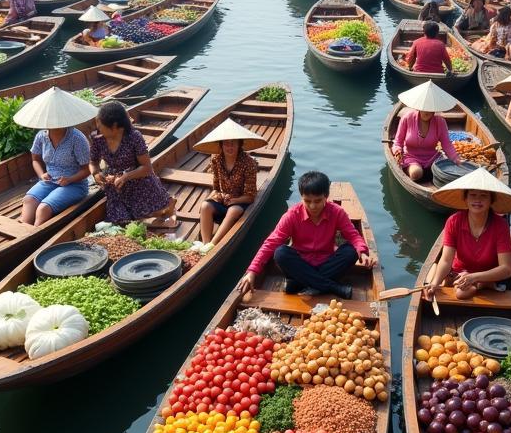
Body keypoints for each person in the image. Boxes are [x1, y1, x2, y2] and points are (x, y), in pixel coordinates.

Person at [237, 171, 373, 300]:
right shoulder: (292, 215)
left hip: (326, 263)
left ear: (326, 196)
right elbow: (271, 242)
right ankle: (334, 287)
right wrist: (252, 271)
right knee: (280, 253)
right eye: (307, 201)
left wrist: (363, 252)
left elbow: (353, 236)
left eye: (318, 201)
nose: (312, 206)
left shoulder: (337, 212)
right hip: (300, 266)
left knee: (351, 251)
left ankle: (298, 285)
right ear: (301, 197)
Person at [425, 170, 511, 301]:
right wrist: (434, 283)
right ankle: (477, 284)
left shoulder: (500, 225)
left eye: (483, 196)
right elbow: (446, 260)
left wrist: (474, 277)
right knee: (460, 292)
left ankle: (481, 284)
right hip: (460, 272)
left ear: (491, 200)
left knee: (462, 293)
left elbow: (506, 268)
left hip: (489, 274)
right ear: (465, 199)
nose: (477, 200)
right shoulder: (454, 221)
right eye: (473, 195)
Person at [89, 101, 176, 227]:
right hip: (115, 184)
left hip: (138, 179)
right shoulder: (98, 139)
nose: (98, 128)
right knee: (121, 220)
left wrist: (125, 177)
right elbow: (93, 162)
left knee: (146, 214)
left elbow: (147, 168)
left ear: (114, 126)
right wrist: (96, 173)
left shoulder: (134, 137)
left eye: (101, 125)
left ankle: (166, 207)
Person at [196, 120, 262, 247]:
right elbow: (216, 187)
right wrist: (218, 196)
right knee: (205, 206)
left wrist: (234, 200)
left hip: (240, 202)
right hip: (223, 200)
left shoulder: (248, 163)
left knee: (233, 211)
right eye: (226, 143)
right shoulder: (216, 159)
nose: (230, 147)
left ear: (239, 145)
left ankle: (212, 245)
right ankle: (205, 244)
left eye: (233, 143)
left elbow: (250, 196)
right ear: (221, 145)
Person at [21, 120, 91, 226]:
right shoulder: (41, 136)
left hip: (75, 184)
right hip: (49, 181)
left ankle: (34, 235)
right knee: (28, 200)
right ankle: (22, 232)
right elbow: (35, 160)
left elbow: (87, 170)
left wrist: (69, 179)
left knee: (43, 208)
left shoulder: (77, 138)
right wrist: (41, 175)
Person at [392, 96, 461, 182]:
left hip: (433, 158)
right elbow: (398, 142)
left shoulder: (440, 121)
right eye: (425, 108)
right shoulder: (407, 118)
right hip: (411, 157)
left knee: (446, 174)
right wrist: (397, 151)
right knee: (416, 173)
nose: (427, 112)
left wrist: (456, 159)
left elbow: (446, 144)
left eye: (430, 109)